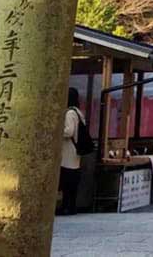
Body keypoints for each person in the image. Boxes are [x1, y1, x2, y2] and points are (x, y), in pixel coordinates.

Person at [59, 87, 84, 215]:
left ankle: (66, 206)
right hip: (75, 151)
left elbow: (69, 131)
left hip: (68, 151)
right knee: (72, 182)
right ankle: (71, 206)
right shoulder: (78, 112)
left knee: (65, 181)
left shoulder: (69, 113)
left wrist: (56, 131)